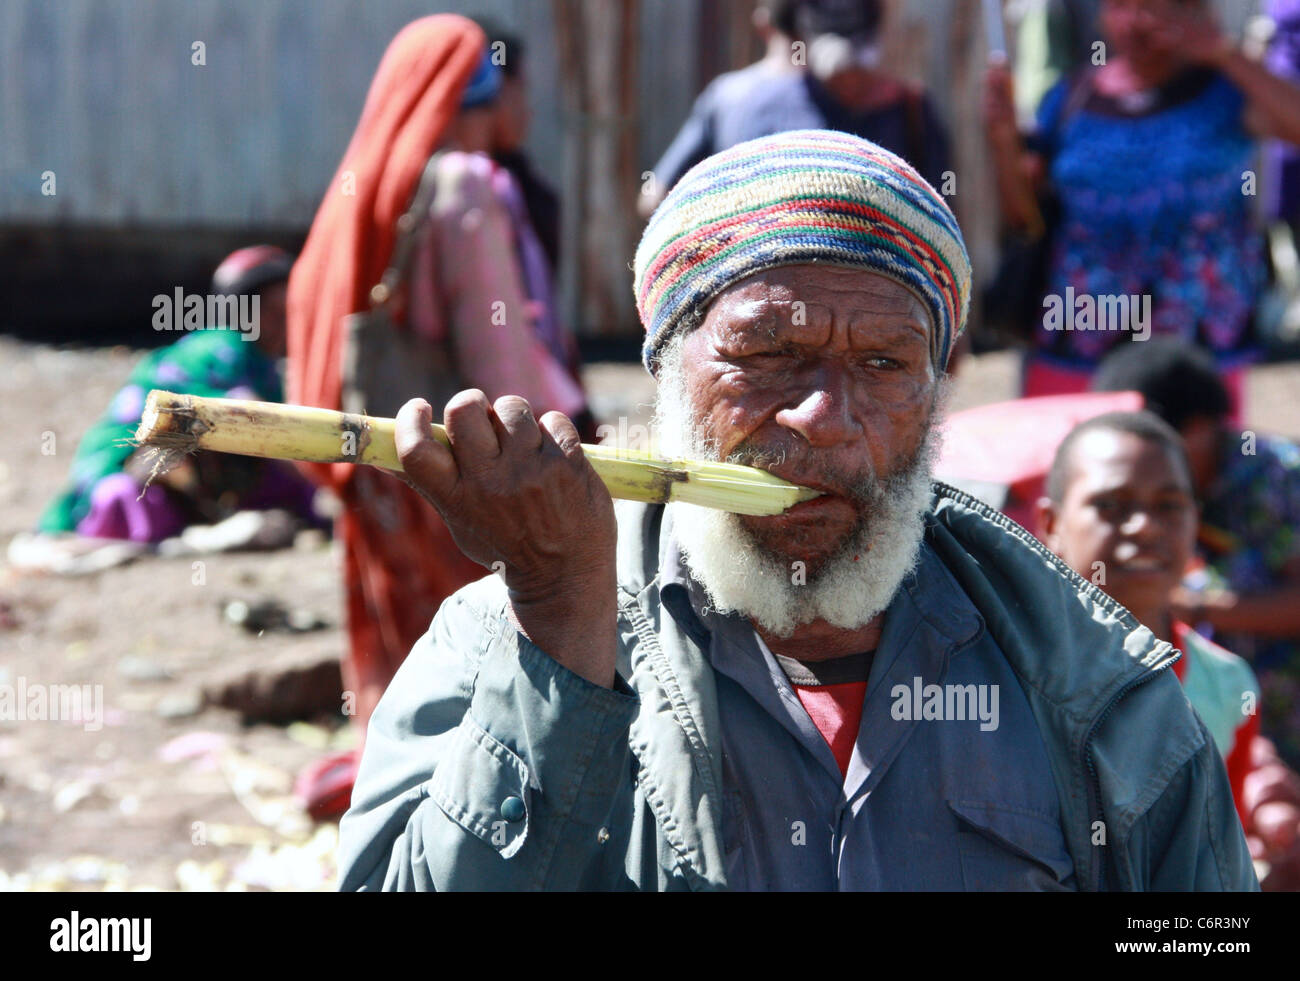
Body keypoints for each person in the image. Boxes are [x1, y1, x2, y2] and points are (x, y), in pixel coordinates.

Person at [338, 130, 1253, 891]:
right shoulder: (504, 636)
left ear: (938, 396)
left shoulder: (1091, 680)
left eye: (885, 365)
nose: (825, 417)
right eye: (768, 353)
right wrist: (558, 631)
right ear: (667, 377)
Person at [286, 15, 593, 818]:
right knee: (480, 674)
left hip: (377, 475)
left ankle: (394, 823)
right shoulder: (463, 183)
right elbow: (502, 361)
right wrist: (563, 449)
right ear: (487, 92)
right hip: (456, 484)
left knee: (406, 681)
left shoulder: (362, 190)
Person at [984, 0, 1300, 406]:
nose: (1139, 22)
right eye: (1121, 5)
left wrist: (1226, 53)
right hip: (1076, 344)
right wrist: (1003, 142)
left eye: (1157, 6)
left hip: (1198, 356)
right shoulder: (1072, 96)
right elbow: (1023, 216)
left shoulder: (1227, 94)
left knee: (1182, 467)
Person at [1036, 410, 1300, 889]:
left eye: (1170, 504)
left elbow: (1218, 854)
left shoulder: (1227, 684)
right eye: (1112, 505)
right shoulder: (1017, 672)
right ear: (1051, 523)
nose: (1144, 526)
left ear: (1196, 519)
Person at [31, 245, 322, 554]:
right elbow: (251, 416)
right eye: (272, 313)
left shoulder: (264, 369)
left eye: (289, 314)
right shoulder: (222, 348)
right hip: (130, 469)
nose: (283, 326)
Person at [1093, 339, 1300, 770]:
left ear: (1201, 427)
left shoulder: (1277, 480)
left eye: (1158, 443)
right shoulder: (1149, 495)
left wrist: (1195, 605)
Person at [639, 0, 950, 216]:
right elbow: (942, 214)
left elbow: (653, 197)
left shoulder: (725, 97)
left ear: (763, 24)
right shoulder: (898, 103)